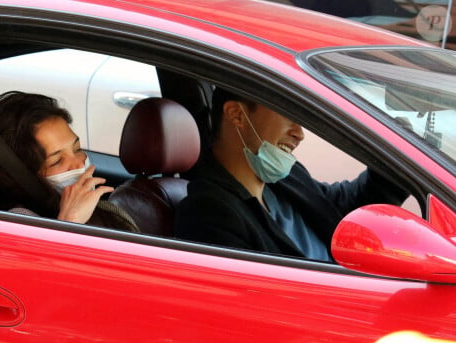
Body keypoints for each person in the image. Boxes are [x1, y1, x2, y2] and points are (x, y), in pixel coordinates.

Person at [174, 87, 408, 262]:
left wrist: (398, 157)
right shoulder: (207, 215)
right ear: (236, 115)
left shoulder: (285, 178)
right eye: (288, 115)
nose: (300, 134)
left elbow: (344, 207)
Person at [0, 91, 138, 232]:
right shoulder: (18, 225)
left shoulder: (111, 212)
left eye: (77, 149)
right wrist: (70, 223)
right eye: (57, 161)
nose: (79, 164)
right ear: (22, 177)